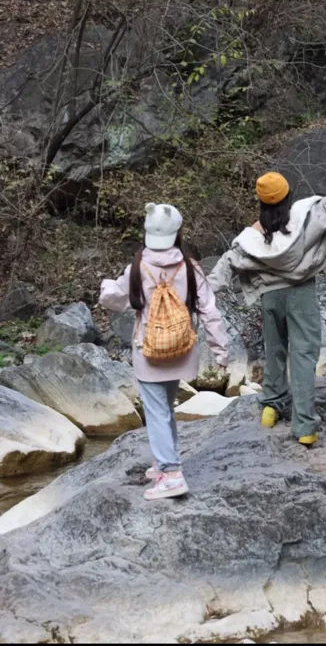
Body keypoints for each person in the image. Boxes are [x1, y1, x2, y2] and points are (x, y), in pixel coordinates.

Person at [208, 171, 326, 446]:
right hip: (301, 294)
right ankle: (304, 426)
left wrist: (198, 292)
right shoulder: (307, 217)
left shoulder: (252, 238)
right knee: (303, 355)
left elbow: (226, 264)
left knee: (275, 349)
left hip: (270, 297)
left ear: (261, 203)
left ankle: (271, 406)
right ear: (288, 196)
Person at [100, 203, 229, 501]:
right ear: (177, 233)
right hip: (182, 352)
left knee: (156, 411)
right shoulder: (191, 268)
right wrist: (221, 352)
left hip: (149, 353)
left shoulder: (137, 267)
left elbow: (114, 300)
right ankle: (163, 461)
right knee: (165, 408)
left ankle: (171, 474)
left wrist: (106, 286)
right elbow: (210, 312)